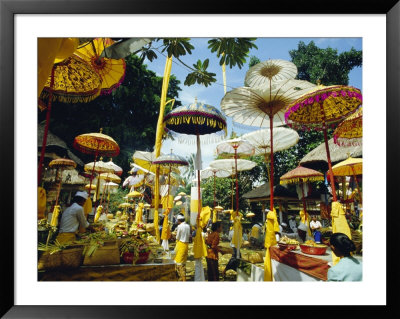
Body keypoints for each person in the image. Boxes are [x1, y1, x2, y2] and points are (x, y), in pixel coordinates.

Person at [174, 214, 191, 281]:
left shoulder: (180, 226)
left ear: (178, 220)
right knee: (183, 262)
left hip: (181, 244)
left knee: (179, 263)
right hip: (186, 245)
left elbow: (177, 236)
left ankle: (183, 279)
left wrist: (175, 236)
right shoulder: (188, 226)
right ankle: (181, 277)